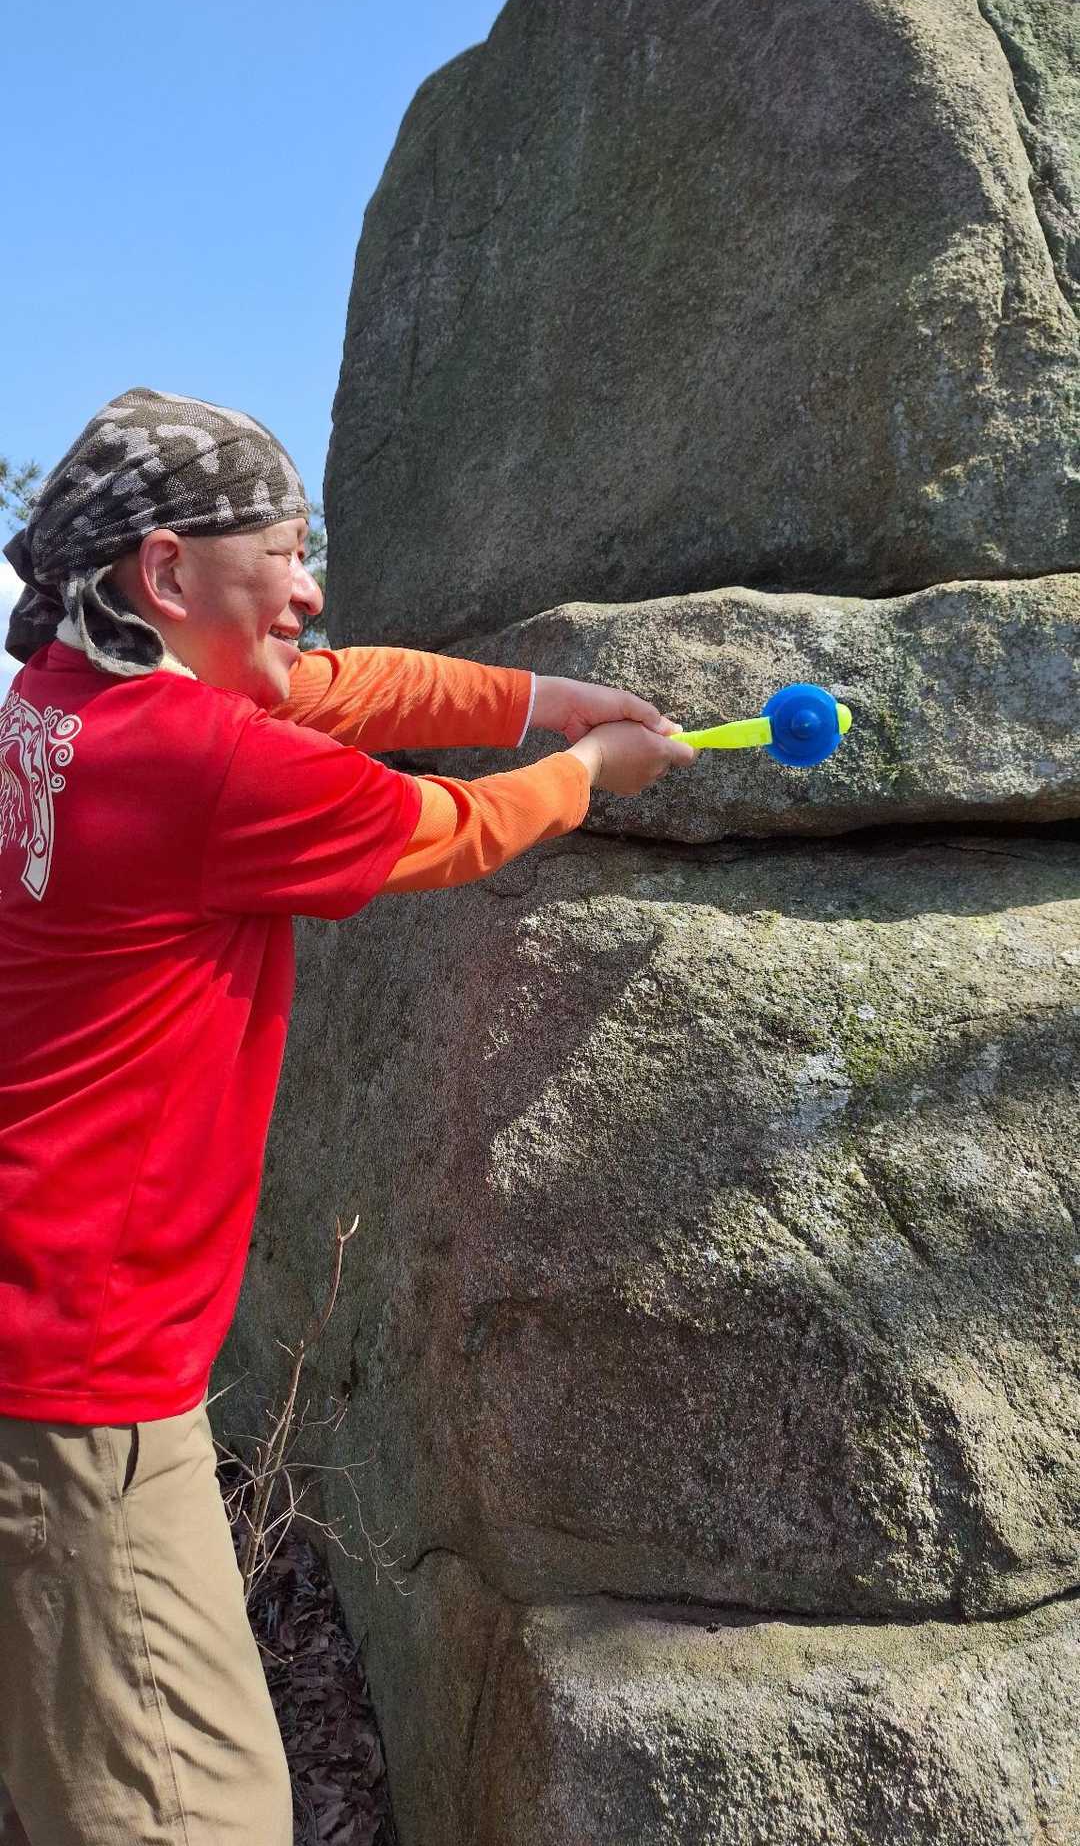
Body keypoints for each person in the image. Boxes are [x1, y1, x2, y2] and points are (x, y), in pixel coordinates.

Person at [0, 388, 695, 1845]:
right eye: (286, 554)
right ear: (167, 570)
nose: (312, 589)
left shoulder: (69, 701)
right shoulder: (199, 766)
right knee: (192, 1815)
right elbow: (451, 831)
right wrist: (586, 772)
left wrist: (541, 699)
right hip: (80, 1380)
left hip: (38, 1333)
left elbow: (344, 684)